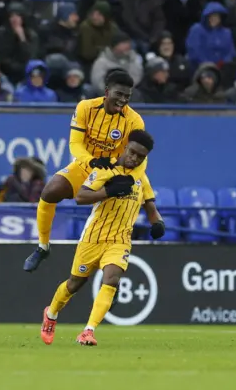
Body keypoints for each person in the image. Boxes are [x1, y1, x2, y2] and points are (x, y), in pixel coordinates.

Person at [40, 129, 165, 346]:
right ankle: (51, 314)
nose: (134, 158)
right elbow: (80, 197)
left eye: (140, 157)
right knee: (74, 284)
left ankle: (88, 331)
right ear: (125, 147)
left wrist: (158, 223)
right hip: (93, 238)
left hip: (120, 240)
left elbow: (150, 206)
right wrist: (109, 192)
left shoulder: (140, 178)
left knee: (112, 279)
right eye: (133, 152)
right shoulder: (106, 170)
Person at [23, 70, 147, 273]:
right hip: (86, 166)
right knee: (48, 193)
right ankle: (43, 247)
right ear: (107, 92)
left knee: (107, 229)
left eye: (127, 96)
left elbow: (141, 156)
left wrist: (129, 179)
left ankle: (110, 279)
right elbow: (75, 144)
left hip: (114, 173)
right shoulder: (85, 107)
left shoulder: (134, 120)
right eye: (119, 94)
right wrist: (92, 161)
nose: (123, 100)